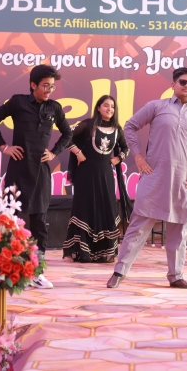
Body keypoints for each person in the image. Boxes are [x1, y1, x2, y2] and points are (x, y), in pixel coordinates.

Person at [106, 68, 187, 289]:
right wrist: (138, 157)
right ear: (173, 84)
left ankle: (176, 275)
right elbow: (130, 126)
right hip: (155, 178)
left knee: (179, 232)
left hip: (183, 183)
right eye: (183, 82)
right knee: (138, 228)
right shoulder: (157, 107)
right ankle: (119, 271)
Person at [0, 64, 72, 289]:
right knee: (13, 221)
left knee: (40, 223)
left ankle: (36, 271)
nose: (49, 90)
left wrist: (54, 153)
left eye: (52, 86)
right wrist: (5, 147)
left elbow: (68, 133)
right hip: (19, 169)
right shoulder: (18, 102)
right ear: (33, 85)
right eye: (45, 85)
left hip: (41, 172)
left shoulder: (55, 108)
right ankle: (10, 269)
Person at [62, 95, 130, 263]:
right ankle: (80, 252)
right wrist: (78, 152)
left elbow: (126, 147)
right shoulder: (88, 125)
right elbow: (66, 137)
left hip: (105, 176)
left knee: (105, 209)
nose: (109, 109)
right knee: (85, 209)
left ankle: (103, 252)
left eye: (112, 107)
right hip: (86, 175)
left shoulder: (117, 129)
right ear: (98, 108)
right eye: (106, 105)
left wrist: (118, 158)